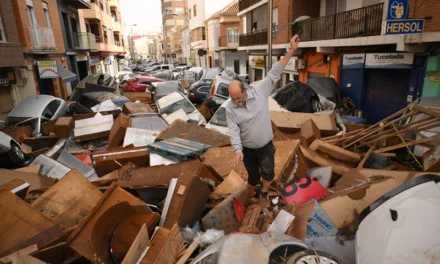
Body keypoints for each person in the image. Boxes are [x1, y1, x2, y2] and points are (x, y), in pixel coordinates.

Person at [226, 35, 300, 200]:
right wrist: (238, 151)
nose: (236, 102)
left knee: (268, 172)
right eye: (233, 99)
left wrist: (291, 50)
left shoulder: (260, 91)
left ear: (245, 91)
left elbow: (274, 72)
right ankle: (253, 195)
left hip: (265, 145)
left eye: (238, 98)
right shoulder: (230, 108)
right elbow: (233, 130)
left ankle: (265, 192)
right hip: (248, 150)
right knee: (252, 177)